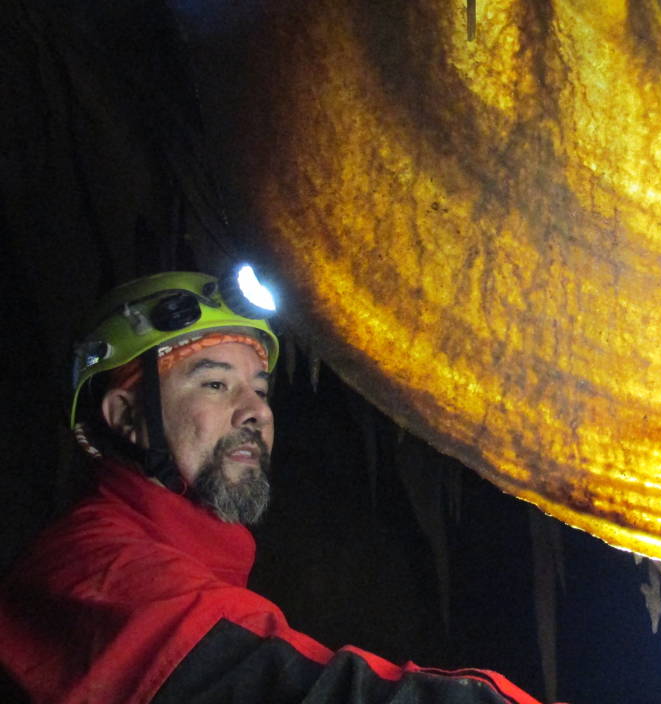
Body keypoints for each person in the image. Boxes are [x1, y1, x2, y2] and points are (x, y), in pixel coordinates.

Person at [0, 269, 545, 704]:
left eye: (259, 389)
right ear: (126, 417)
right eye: (216, 384)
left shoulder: (193, 566)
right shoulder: (94, 571)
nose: (255, 412)